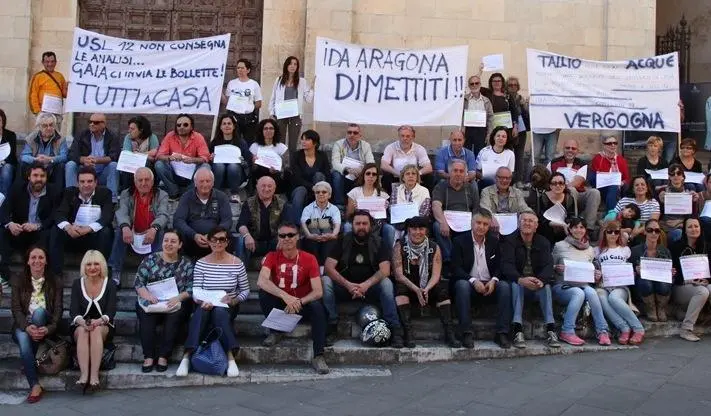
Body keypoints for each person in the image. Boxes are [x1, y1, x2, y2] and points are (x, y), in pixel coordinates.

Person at [323, 210, 404, 347]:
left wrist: (365, 285)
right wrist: (348, 285)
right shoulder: (343, 241)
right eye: (358, 223)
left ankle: (395, 328)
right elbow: (328, 267)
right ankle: (331, 325)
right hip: (345, 288)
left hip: (370, 289)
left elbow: (385, 270)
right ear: (352, 225)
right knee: (325, 281)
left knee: (386, 283)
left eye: (365, 223)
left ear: (370, 225)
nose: (361, 227)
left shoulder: (379, 242)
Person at [176, 227, 248, 377]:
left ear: (227, 242)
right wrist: (201, 301)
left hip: (228, 306)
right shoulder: (201, 263)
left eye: (222, 239)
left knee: (220, 311)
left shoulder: (237, 263)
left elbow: (245, 290)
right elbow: (196, 290)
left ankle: (229, 357)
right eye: (214, 239)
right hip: (205, 304)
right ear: (209, 242)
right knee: (203, 312)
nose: (218, 243)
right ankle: (187, 356)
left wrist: (234, 300)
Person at [257, 222, 329, 374]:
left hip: (302, 305)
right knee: (263, 292)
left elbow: (318, 291)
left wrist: (298, 301)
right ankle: (275, 331)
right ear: (278, 238)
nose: (286, 238)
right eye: (282, 235)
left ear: (298, 237)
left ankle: (318, 355)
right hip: (282, 304)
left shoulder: (309, 258)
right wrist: (286, 296)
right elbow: (261, 281)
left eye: (291, 235)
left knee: (317, 306)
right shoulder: (272, 256)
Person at [392, 216, 460, 348]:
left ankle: (449, 332)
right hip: (409, 284)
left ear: (426, 231)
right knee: (400, 289)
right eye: (414, 228)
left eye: (421, 228)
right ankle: (407, 332)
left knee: (442, 289)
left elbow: (436, 274)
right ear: (408, 230)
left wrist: (426, 288)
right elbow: (399, 275)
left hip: (428, 286)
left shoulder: (434, 247)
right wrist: (416, 289)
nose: (418, 232)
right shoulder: (400, 246)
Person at [451, 209, 512, 349]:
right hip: (469, 283)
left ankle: (502, 333)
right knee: (461, 285)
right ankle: (466, 332)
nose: (481, 227)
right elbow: (456, 268)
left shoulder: (494, 242)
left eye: (485, 224)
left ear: (489, 226)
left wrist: (494, 280)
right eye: (478, 223)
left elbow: (500, 266)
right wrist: (473, 280)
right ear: (472, 223)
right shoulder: (459, 241)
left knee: (504, 286)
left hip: (489, 284)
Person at [134, 230, 193, 373]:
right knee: (146, 315)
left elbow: (191, 288)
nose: (169, 244)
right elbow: (138, 283)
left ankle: (163, 356)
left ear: (180, 245)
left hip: (175, 301)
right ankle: (148, 356)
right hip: (152, 301)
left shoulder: (186, 263)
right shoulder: (150, 259)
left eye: (173, 241)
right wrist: (147, 296)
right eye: (166, 240)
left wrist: (178, 298)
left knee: (175, 315)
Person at [11, 246, 62, 403]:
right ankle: (35, 385)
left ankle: (28, 364)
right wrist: (26, 326)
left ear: (46, 261)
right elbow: (16, 308)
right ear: (27, 261)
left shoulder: (55, 281)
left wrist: (49, 328)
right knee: (24, 339)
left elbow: (58, 311)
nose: (37, 261)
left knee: (39, 312)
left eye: (41, 257)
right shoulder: (18, 280)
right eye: (33, 257)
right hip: (23, 324)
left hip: (44, 323)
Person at [501, 212, 559, 348]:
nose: (527, 223)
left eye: (531, 221)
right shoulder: (510, 241)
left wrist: (541, 280)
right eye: (524, 220)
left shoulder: (543, 242)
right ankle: (517, 329)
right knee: (516, 285)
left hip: (536, 283)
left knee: (546, 287)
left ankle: (551, 329)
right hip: (519, 282)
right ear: (519, 224)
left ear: (536, 226)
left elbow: (548, 265)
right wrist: (520, 279)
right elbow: (506, 264)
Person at [551, 217, 611, 346]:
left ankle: (602, 331)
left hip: (583, 284)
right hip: (562, 286)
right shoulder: (559, 246)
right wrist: (555, 268)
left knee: (592, 292)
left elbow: (593, 270)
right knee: (578, 293)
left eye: (582, 227)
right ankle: (567, 331)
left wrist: (597, 274)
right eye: (575, 227)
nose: (579, 230)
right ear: (570, 229)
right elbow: (548, 267)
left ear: (585, 230)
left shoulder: (590, 250)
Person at [0, 164, 59, 289]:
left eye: (42, 176)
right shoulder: (17, 188)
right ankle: (5, 275)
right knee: (2, 231)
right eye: (35, 175)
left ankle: (42, 276)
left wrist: (37, 226)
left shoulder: (54, 191)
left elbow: (55, 216)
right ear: (28, 177)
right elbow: (4, 210)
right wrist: (10, 224)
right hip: (20, 230)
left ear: (46, 178)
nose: (39, 179)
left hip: (39, 232)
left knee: (49, 233)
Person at [109, 167, 170, 285]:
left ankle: (156, 271)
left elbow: (163, 215)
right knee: (120, 230)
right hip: (133, 232)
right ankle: (115, 271)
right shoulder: (127, 193)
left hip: (151, 233)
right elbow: (122, 212)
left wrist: (154, 228)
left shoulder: (162, 195)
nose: (143, 183)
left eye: (147, 180)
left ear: (152, 182)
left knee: (161, 231)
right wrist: (125, 226)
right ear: (135, 181)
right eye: (140, 180)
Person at [49, 166, 114, 277]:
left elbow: (107, 217)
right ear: (77, 183)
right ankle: (56, 274)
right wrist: (69, 227)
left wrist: (88, 229)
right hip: (74, 235)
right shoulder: (69, 193)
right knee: (56, 230)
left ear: (96, 182)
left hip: (93, 237)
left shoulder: (105, 194)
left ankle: (102, 272)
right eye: (82, 181)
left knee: (106, 232)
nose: (86, 185)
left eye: (89, 181)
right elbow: (59, 214)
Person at [69, 250, 117, 393]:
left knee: (95, 330)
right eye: (89, 264)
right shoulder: (77, 283)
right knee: (84, 331)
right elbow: (74, 312)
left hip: (103, 325)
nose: (92, 268)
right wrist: (83, 322)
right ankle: (84, 376)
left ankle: (94, 377)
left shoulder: (110, 284)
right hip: (81, 324)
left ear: (102, 266)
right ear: (84, 266)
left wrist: (98, 321)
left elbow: (111, 312)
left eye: (96, 264)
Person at [595, 220, 645, 345]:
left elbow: (631, 267)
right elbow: (594, 268)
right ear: (604, 233)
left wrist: (631, 273)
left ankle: (638, 328)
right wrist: (597, 274)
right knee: (600, 297)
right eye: (609, 232)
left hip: (620, 286)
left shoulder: (625, 250)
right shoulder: (597, 251)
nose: (613, 234)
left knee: (614, 298)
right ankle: (624, 328)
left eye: (616, 232)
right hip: (604, 284)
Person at [173, 167, 232, 259]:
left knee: (227, 236)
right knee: (178, 235)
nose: (205, 184)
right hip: (191, 240)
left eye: (208, 181)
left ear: (213, 183)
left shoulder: (222, 197)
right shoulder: (186, 197)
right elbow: (178, 220)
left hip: (216, 240)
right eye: (201, 181)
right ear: (195, 183)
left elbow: (227, 221)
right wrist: (194, 235)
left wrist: (213, 235)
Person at [432, 159, 480, 265]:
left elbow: (476, 209)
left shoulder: (471, 188)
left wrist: (474, 223)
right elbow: (436, 206)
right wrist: (443, 222)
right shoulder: (441, 186)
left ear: (465, 173)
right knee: (437, 225)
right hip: (447, 222)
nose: (458, 174)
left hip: (467, 222)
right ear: (449, 172)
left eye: (461, 171)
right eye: (455, 171)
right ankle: (449, 260)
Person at [670, 217, 711, 342]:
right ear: (685, 230)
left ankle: (683, 313)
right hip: (681, 286)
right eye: (690, 227)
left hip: (702, 284)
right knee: (702, 291)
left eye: (696, 226)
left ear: (700, 228)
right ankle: (686, 329)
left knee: (709, 288)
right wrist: (687, 280)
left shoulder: (707, 247)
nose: (694, 229)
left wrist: (708, 280)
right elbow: (673, 275)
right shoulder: (676, 248)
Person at [549, 139, 601, 235]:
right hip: (558, 196)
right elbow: (548, 180)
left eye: (573, 148)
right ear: (563, 149)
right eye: (567, 148)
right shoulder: (553, 163)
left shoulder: (582, 164)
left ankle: (589, 229)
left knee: (594, 192)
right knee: (571, 189)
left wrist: (560, 186)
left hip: (578, 195)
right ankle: (574, 225)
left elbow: (577, 182)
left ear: (577, 151)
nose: (570, 150)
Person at [65, 113, 121, 203]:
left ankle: (112, 200)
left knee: (114, 165)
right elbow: (72, 154)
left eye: (95, 122)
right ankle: (70, 198)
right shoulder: (82, 134)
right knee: (70, 164)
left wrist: (97, 160)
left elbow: (114, 156)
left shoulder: (112, 136)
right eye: (90, 122)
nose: (92, 124)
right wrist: (84, 160)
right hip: (84, 172)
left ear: (104, 124)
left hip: (102, 173)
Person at [236, 176, 290, 266]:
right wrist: (247, 235)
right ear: (257, 187)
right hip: (254, 242)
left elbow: (288, 225)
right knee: (241, 239)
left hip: (275, 241)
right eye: (263, 186)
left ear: (274, 188)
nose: (266, 189)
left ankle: (283, 269)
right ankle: (240, 270)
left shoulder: (282, 203)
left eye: (269, 186)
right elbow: (241, 224)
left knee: (289, 238)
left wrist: (282, 237)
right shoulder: (249, 202)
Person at [154, 114, 211, 200]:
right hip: (174, 173)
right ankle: (174, 192)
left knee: (206, 167)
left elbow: (205, 157)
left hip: (192, 174)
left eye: (185, 125)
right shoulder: (170, 136)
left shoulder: (198, 137)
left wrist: (192, 160)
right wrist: (170, 157)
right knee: (159, 164)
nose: (181, 127)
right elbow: (159, 155)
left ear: (191, 127)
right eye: (178, 125)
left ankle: (189, 193)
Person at [629, 219, 673, 322]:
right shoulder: (635, 251)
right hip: (643, 286)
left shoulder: (665, 251)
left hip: (661, 284)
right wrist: (635, 271)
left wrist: (671, 272)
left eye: (657, 230)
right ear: (644, 232)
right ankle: (651, 308)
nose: (653, 233)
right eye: (650, 230)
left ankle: (661, 307)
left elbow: (670, 272)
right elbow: (628, 274)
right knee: (645, 282)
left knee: (664, 283)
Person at [344, 163, 396, 249]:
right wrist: (355, 209)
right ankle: (348, 254)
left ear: (377, 177)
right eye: (368, 173)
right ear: (363, 175)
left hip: (376, 225)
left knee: (390, 229)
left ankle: (387, 258)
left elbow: (385, 218)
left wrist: (386, 208)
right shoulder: (354, 192)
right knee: (347, 226)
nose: (371, 176)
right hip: (359, 223)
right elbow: (348, 216)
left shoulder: (382, 194)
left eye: (374, 174)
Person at [269, 56, 314, 151]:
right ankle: (280, 164)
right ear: (286, 65)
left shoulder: (302, 81)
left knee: (293, 144)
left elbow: (308, 99)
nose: (292, 66)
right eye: (290, 63)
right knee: (280, 142)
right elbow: (273, 97)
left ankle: (292, 165)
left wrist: (312, 88)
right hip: (281, 115)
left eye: (295, 64)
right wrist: (272, 113)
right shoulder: (279, 80)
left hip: (295, 115)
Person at [289, 130, 330, 224]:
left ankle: (320, 220)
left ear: (315, 142)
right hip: (300, 187)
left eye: (307, 139)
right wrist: (312, 187)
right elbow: (296, 177)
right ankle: (299, 226)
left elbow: (327, 174)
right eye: (302, 139)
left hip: (318, 188)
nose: (303, 142)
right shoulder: (296, 155)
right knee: (300, 191)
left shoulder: (322, 155)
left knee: (319, 175)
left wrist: (325, 189)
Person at [209, 114, 252, 203]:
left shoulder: (241, 142)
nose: (227, 126)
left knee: (233, 166)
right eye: (224, 124)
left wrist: (243, 161)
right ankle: (215, 193)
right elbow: (208, 162)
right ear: (220, 127)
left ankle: (234, 194)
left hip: (236, 176)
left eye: (229, 123)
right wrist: (211, 158)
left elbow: (248, 162)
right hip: (218, 175)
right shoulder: (215, 142)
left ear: (234, 126)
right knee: (219, 166)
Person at [330, 123, 375, 207]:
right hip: (344, 173)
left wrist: (362, 170)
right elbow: (335, 163)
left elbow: (371, 163)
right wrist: (348, 170)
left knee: (370, 174)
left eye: (355, 133)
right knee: (336, 175)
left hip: (359, 174)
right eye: (349, 132)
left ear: (360, 135)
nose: (352, 135)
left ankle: (363, 204)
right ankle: (340, 205)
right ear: (346, 134)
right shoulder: (338, 144)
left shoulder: (366, 145)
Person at [19, 112, 68, 189]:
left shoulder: (61, 139)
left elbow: (64, 156)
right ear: (39, 127)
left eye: (51, 125)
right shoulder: (31, 138)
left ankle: (58, 195)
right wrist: (36, 160)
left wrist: (50, 160)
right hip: (35, 167)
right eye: (45, 126)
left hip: (52, 168)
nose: (49, 128)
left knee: (61, 166)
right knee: (23, 164)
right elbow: (24, 156)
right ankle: (20, 192)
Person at [380, 125, 433, 193]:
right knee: (386, 177)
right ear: (399, 136)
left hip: (414, 177)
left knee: (429, 177)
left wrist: (416, 174)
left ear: (413, 137)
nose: (405, 138)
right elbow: (383, 165)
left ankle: (427, 199)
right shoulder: (391, 147)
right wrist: (400, 174)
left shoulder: (419, 148)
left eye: (408, 136)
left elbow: (429, 167)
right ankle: (388, 200)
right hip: (397, 176)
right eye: (402, 136)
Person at [529, 172, 577, 244]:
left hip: (564, 228)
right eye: (554, 183)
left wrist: (565, 224)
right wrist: (559, 224)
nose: (558, 185)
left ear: (564, 185)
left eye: (561, 183)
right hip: (547, 228)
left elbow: (571, 216)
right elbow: (541, 218)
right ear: (550, 186)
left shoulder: (569, 198)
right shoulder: (543, 198)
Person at [222, 58, 262, 144]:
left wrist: (248, 107)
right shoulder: (231, 83)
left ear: (248, 70)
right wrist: (219, 94)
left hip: (249, 118)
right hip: (234, 117)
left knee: (249, 142)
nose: (239, 70)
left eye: (242, 68)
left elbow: (259, 103)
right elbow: (227, 102)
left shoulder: (254, 84)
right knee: (234, 141)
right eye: (238, 68)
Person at [480, 166, 532, 232]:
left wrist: (531, 215)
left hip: (513, 227)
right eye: (501, 177)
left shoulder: (517, 192)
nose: (504, 180)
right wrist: (491, 218)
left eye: (507, 178)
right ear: (496, 178)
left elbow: (524, 208)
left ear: (511, 179)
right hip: (493, 226)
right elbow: (485, 208)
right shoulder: (486, 191)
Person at [301, 181, 341, 265]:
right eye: (317, 192)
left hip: (328, 237)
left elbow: (337, 225)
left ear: (329, 195)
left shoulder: (334, 209)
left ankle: (324, 268)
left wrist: (333, 235)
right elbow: (304, 224)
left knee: (330, 236)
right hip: (312, 237)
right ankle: (315, 267)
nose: (320, 194)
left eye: (324, 192)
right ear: (314, 194)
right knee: (314, 231)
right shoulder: (308, 208)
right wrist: (309, 235)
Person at [658, 164, 700, 242]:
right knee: (679, 234)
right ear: (669, 177)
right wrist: (661, 202)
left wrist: (694, 202)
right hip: (667, 227)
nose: (675, 176)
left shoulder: (689, 192)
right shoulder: (662, 191)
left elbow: (693, 216)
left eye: (678, 173)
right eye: (672, 174)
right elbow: (658, 213)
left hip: (684, 226)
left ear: (683, 176)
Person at [390, 164, 431, 241]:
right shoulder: (396, 190)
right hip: (398, 225)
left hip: (417, 226)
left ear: (417, 177)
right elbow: (393, 209)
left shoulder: (424, 191)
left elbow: (424, 212)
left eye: (413, 174)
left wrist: (409, 226)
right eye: (407, 174)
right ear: (403, 177)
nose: (411, 176)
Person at [589, 135, 630, 211]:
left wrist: (622, 182)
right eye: (609, 143)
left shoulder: (621, 159)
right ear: (604, 145)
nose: (613, 145)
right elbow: (593, 178)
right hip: (603, 188)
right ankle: (611, 214)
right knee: (613, 186)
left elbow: (627, 178)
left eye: (615, 143)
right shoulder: (598, 158)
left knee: (624, 187)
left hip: (620, 187)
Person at [119, 116, 159, 192]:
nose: (129, 131)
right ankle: (126, 192)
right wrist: (147, 155)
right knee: (125, 166)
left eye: (132, 129)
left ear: (141, 130)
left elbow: (154, 157)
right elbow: (126, 155)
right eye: (129, 128)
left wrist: (138, 154)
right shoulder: (128, 137)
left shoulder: (152, 137)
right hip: (131, 164)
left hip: (148, 167)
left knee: (146, 163)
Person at [249, 118, 288, 191]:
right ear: (261, 131)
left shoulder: (282, 147)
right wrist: (254, 163)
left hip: (276, 177)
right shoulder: (254, 146)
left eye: (271, 128)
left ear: (275, 131)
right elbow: (251, 168)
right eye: (265, 129)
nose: (268, 131)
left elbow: (286, 167)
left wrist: (278, 169)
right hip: (259, 175)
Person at [28, 51, 67, 118]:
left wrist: (70, 86)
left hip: (57, 113)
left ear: (56, 62)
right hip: (43, 113)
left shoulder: (60, 76)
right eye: (47, 62)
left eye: (52, 61)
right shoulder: (38, 76)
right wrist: (38, 112)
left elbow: (64, 94)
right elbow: (33, 95)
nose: (50, 64)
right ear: (43, 62)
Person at [507, 76, 531, 183]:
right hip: (507, 130)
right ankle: (508, 179)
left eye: (515, 85)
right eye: (510, 85)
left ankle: (519, 181)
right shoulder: (505, 98)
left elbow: (527, 113)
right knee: (508, 154)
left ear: (518, 87)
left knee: (519, 155)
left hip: (521, 130)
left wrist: (525, 105)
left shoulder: (521, 99)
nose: (512, 87)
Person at [463, 75, 494, 156]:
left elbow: (490, 118)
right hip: (467, 130)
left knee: (480, 154)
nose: (474, 85)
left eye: (476, 83)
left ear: (480, 84)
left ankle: (478, 169)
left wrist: (489, 133)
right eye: (472, 84)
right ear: (469, 86)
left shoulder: (486, 100)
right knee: (466, 153)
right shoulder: (464, 99)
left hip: (481, 131)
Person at [482, 72, 519, 138]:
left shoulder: (508, 95)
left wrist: (515, 127)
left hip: (505, 129)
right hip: (491, 128)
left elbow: (514, 112)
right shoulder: (486, 93)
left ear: (502, 82)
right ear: (491, 82)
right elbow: (475, 85)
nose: (497, 83)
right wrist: (480, 72)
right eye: (494, 81)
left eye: (499, 81)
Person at [0, 108, 18, 196]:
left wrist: (3, 162)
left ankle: (3, 201)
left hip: (7, 164)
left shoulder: (10, 135)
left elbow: (12, 157)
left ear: (3, 122)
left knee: (6, 168)